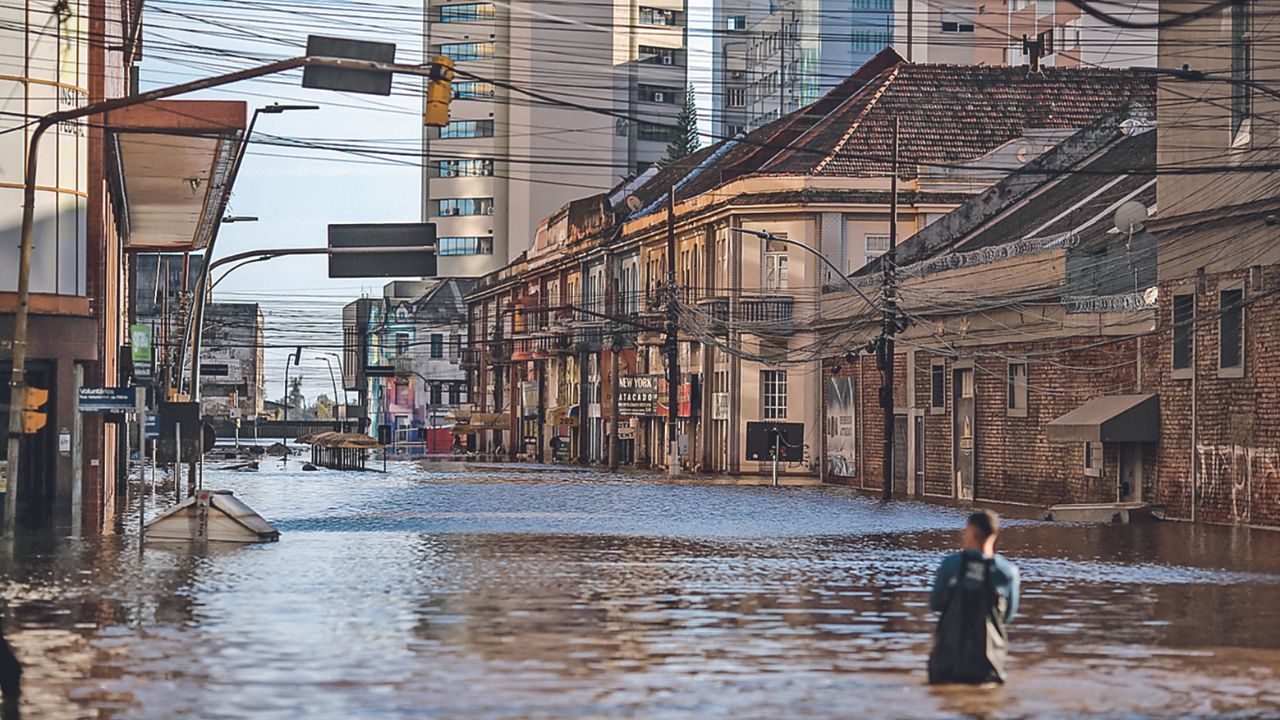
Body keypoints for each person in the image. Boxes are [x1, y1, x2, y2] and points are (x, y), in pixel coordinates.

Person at [927, 509, 1020, 685]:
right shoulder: (1007, 572)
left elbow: (936, 604)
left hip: (947, 662)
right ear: (994, 534)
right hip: (986, 663)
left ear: (971, 532)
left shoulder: (951, 565)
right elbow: (1007, 617)